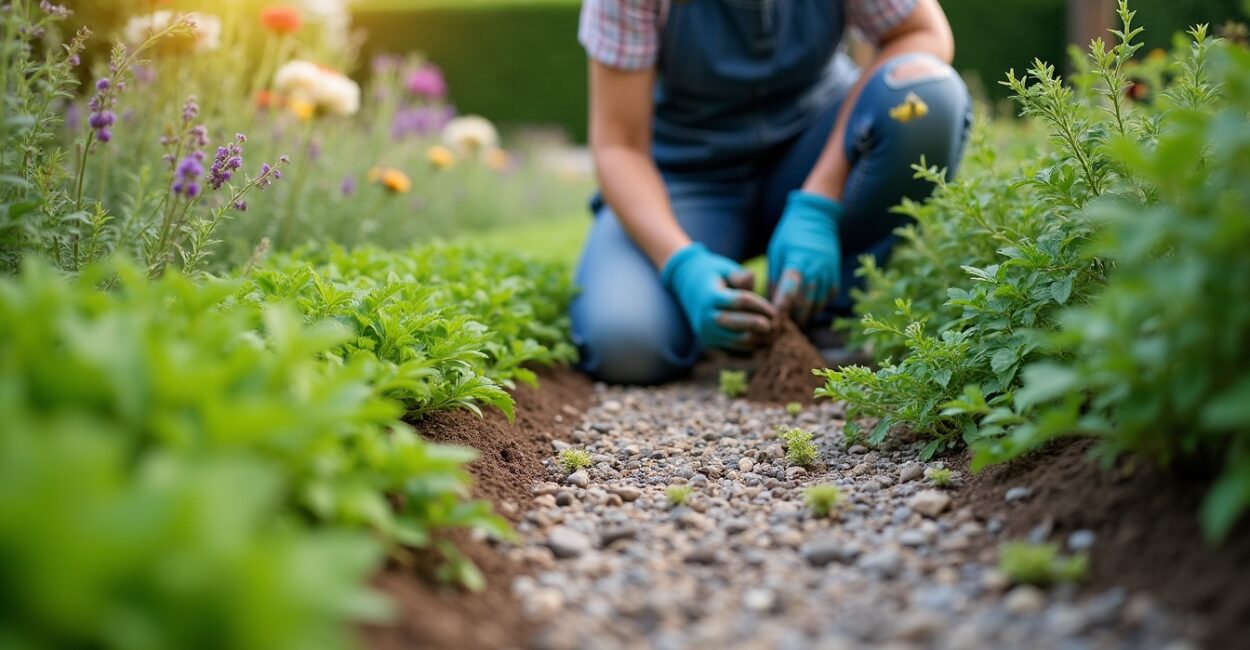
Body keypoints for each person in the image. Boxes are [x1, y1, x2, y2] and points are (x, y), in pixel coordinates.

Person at [571, 0, 971, 384]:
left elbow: (922, 32)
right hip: (688, 176)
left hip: (815, 148)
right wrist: (682, 265)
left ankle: (830, 311)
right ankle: (719, 307)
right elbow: (618, 145)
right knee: (626, 341)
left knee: (927, 94)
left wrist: (821, 196)